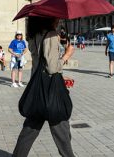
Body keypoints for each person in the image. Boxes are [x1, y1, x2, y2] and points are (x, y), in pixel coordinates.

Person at [13, 16, 75, 157]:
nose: (58, 20)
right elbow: (52, 67)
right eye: (56, 17)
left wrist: (60, 76)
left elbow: (39, 64)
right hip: (50, 91)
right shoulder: (51, 35)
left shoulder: (33, 35)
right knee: (62, 129)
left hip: (37, 86)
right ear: (47, 19)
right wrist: (67, 55)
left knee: (29, 131)